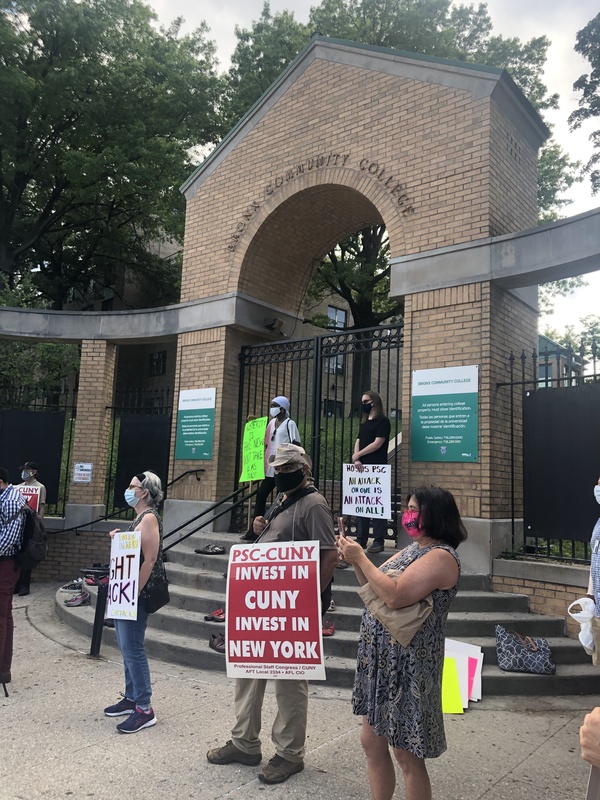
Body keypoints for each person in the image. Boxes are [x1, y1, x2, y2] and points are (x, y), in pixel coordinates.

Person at [208, 443, 338, 784]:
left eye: (287, 469)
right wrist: (256, 529)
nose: (281, 474)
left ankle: (289, 754)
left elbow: (330, 555)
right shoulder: (282, 501)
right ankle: (244, 742)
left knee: (289, 680)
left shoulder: (314, 505)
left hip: (293, 607)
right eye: (277, 470)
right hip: (262, 603)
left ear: (304, 469)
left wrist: (308, 600)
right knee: (248, 673)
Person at [337, 485, 467, 800]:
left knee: (406, 753)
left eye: (413, 509)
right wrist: (355, 557)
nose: (406, 515)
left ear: (434, 515)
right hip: (380, 660)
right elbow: (374, 584)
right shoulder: (413, 548)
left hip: (408, 666)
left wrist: (361, 558)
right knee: (371, 741)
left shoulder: (441, 556)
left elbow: (395, 597)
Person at [104, 470, 164, 734]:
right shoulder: (139, 518)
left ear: (145, 492)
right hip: (126, 593)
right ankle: (131, 697)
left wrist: (133, 592)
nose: (129, 489)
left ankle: (144, 708)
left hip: (135, 594)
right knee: (125, 646)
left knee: (133, 648)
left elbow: (150, 559)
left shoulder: (149, 518)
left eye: (133, 486)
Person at [241, 396, 301, 542]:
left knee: (283, 499)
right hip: (270, 466)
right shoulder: (271, 423)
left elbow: (296, 443)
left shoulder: (289, 423)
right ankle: (254, 530)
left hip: (282, 465)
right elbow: (263, 439)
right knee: (261, 495)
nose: (271, 408)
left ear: (282, 408)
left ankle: (280, 530)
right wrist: (253, 423)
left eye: (274, 405)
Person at [351, 390, 391, 554]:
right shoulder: (364, 422)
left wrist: (359, 454)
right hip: (362, 468)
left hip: (377, 467)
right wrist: (356, 459)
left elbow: (377, 444)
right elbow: (358, 440)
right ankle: (361, 539)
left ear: (374, 402)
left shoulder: (383, 421)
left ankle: (378, 540)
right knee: (362, 504)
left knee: (377, 505)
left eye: (366, 401)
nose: (363, 405)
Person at [0, 466, 27, 684]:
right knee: (4, 615)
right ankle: (3, 669)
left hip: (5, 564)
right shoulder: (9, 496)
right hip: (6, 564)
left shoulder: (10, 500)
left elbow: (7, 542)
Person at [14, 461, 47, 597]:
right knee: (17, 556)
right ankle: (16, 584)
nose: (25, 472)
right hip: (18, 524)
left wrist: (38, 521)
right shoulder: (19, 487)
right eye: (24, 469)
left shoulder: (40, 487)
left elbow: (42, 506)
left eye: (28, 470)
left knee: (28, 555)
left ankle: (24, 586)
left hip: (31, 524)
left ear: (34, 472)